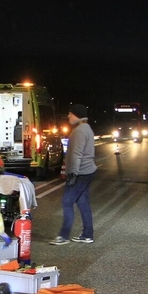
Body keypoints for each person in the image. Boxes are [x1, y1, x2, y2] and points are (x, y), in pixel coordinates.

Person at [50, 104, 97, 245]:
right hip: (88, 171)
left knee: (67, 202)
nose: (68, 116)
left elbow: (76, 154)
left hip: (81, 173)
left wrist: (73, 173)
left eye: (70, 114)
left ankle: (63, 236)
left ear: (76, 115)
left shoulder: (79, 131)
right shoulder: (86, 128)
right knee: (83, 203)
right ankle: (87, 235)